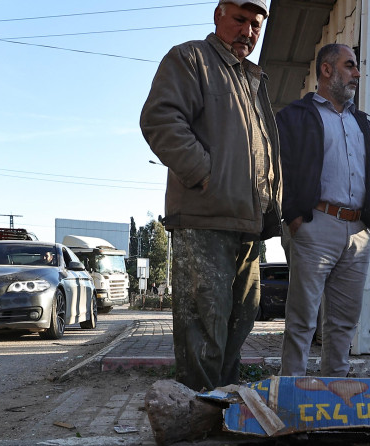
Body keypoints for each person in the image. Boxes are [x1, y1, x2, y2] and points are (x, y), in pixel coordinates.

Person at [139, 0, 281, 391]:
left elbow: (260, 149)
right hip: (206, 219)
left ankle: (223, 410)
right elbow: (159, 119)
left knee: (239, 324)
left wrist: (270, 204)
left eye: (256, 24)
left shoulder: (252, 78)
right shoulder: (191, 59)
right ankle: (196, 414)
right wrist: (205, 174)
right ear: (218, 14)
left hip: (248, 224)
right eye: (240, 19)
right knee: (204, 326)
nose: (248, 31)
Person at [276, 43, 370, 377]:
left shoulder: (364, 124)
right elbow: (278, 170)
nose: (357, 74)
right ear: (326, 70)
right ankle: (291, 393)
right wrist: (294, 217)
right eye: (349, 66)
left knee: (343, 322)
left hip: (358, 232)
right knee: (303, 320)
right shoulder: (294, 116)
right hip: (315, 224)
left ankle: (334, 395)